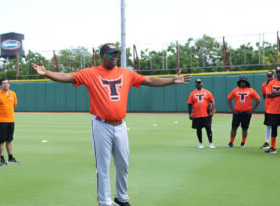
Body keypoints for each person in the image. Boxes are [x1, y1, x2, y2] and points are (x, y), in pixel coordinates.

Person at [32, 43, 191, 206]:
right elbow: (67, 76)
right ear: (102, 56)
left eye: (116, 54)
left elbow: (148, 79)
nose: (114, 57)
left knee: (123, 164)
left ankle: (121, 198)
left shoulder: (126, 73)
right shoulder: (90, 73)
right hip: (101, 125)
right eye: (110, 54)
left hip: (121, 125)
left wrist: (171, 81)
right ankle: (104, 202)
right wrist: (47, 73)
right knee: (103, 166)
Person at [227, 77, 260, 148]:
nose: (243, 83)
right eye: (241, 82)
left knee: (245, 128)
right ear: (239, 83)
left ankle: (243, 142)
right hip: (237, 112)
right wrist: (232, 109)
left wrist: (252, 110)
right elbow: (229, 98)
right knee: (234, 127)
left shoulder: (251, 90)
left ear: (246, 83)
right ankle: (231, 142)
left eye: (244, 82)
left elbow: (258, 100)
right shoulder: (235, 90)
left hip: (246, 113)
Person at [0, 78, 19, 165]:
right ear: (0, 85)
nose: (6, 85)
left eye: (7, 83)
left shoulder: (13, 94)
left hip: (11, 120)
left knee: (9, 140)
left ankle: (10, 157)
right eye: (4, 83)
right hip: (1, 121)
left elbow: (14, 106)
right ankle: (2, 158)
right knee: (1, 141)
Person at [188, 78, 216, 149]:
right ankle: (200, 143)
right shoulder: (192, 93)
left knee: (208, 128)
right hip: (197, 114)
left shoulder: (207, 92)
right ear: (195, 84)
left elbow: (212, 101)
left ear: (202, 83)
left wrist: (212, 111)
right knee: (198, 129)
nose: (199, 84)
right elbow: (189, 104)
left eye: (200, 83)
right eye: (197, 83)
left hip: (206, 114)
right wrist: (190, 113)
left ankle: (210, 143)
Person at [264, 67, 280, 153]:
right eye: (277, 72)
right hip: (274, 110)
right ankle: (273, 147)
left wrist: (276, 93)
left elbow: (272, 94)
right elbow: (268, 95)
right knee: (273, 128)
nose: (279, 73)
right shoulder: (271, 83)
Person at [260, 71, 274, 149]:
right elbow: (264, 96)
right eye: (268, 76)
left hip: (278, 108)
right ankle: (267, 142)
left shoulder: (276, 83)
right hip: (268, 109)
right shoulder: (264, 85)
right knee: (268, 125)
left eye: (270, 76)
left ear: (273, 76)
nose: (269, 77)